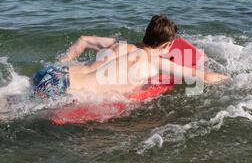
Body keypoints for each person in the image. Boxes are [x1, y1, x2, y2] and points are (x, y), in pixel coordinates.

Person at [31, 14, 229, 100]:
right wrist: (233, 80)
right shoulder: (155, 63)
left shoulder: (121, 44)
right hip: (64, 91)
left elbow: (83, 40)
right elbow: (203, 77)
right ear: (167, 45)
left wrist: (63, 61)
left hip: (54, 72)